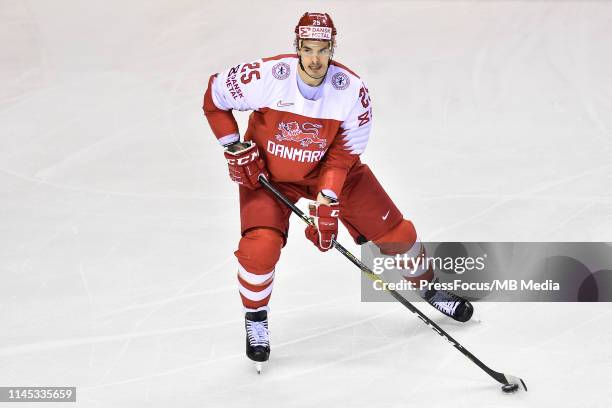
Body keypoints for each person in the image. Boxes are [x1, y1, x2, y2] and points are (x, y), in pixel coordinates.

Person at [203, 12, 473, 373]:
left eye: (323, 50)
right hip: (270, 175)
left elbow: (344, 154)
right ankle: (255, 318)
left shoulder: (351, 91)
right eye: (308, 49)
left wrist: (327, 200)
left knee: (399, 235)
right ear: (297, 48)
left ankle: (428, 289)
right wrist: (234, 146)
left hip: (332, 173)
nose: (315, 59)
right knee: (259, 249)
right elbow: (213, 97)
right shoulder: (266, 77)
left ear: (333, 48)